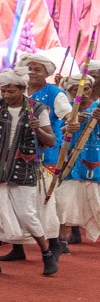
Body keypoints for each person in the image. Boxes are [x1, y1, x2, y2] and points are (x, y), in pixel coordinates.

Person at [0, 67, 60, 275]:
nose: (6, 95)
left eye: (11, 91)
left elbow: (51, 141)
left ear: (22, 89)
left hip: (23, 169)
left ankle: (47, 254)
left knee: (26, 214)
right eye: (4, 91)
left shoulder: (38, 109)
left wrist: (37, 129)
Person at [0, 54, 71, 260]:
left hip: (46, 157)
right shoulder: (18, 90)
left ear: (47, 73)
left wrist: (72, 121)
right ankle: (18, 248)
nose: (33, 73)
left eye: (38, 69)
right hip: (16, 156)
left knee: (44, 203)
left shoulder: (56, 93)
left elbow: (68, 115)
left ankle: (54, 244)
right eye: (30, 69)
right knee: (17, 203)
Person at [54, 75, 100, 248]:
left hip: (96, 161)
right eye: (76, 89)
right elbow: (57, 135)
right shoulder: (67, 110)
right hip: (72, 163)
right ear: (70, 92)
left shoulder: (97, 108)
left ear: (91, 89)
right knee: (62, 201)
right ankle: (61, 241)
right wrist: (69, 126)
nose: (82, 93)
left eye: (86, 89)